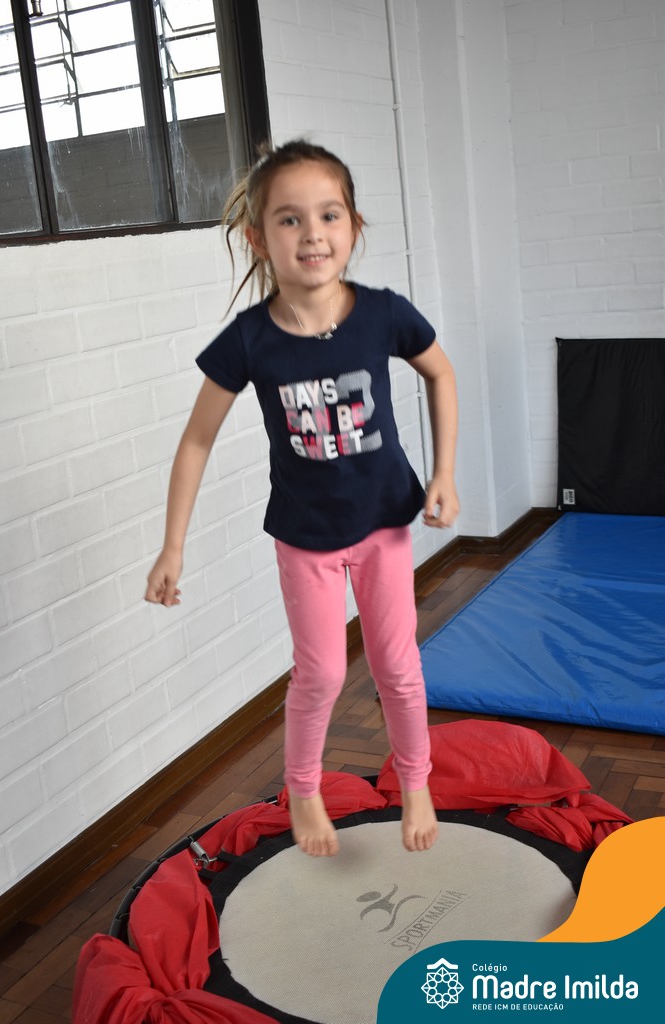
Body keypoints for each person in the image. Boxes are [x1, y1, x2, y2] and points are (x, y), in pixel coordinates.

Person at [145, 139, 459, 858]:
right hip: (305, 536)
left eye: (328, 215)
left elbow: (440, 374)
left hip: (383, 525)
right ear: (259, 239)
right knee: (319, 672)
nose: (311, 233)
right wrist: (172, 547)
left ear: (353, 226)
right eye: (289, 219)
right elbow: (195, 441)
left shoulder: (383, 314)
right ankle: (305, 786)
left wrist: (443, 472)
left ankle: (415, 780)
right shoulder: (250, 340)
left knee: (397, 666)